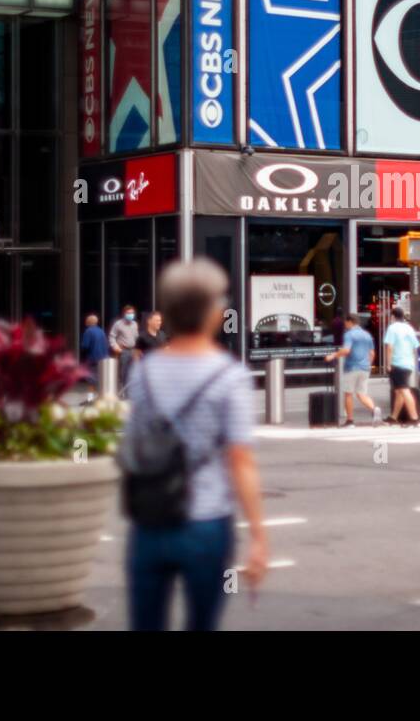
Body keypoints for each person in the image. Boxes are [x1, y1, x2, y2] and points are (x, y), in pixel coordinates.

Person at [123, 258, 268, 631]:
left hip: (151, 519)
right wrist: (258, 536)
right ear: (214, 313)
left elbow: (137, 444)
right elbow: (240, 461)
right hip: (207, 521)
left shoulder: (143, 373)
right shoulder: (230, 375)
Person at [323, 313, 382, 427]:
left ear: (350, 322)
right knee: (361, 394)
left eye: (346, 322)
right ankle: (375, 410)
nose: (345, 324)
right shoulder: (367, 335)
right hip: (365, 368)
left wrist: (333, 355)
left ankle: (350, 421)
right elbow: (372, 353)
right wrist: (367, 365)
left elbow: (346, 350)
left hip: (352, 368)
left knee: (348, 394)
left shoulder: (349, 334)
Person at [384, 307, 420, 427]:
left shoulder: (392, 328)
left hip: (397, 363)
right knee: (400, 390)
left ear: (393, 317)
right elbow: (416, 345)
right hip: (408, 363)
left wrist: (388, 364)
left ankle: (414, 418)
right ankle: (393, 417)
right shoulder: (409, 328)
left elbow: (389, 347)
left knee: (404, 390)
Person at [109, 304, 140, 388]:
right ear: (124, 314)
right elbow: (112, 336)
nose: (131, 315)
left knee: (133, 371)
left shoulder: (135, 324)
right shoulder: (118, 324)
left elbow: (137, 337)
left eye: (132, 313)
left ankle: (130, 390)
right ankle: (122, 390)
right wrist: (115, 347)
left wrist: (137, 350)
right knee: (123, 371)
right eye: (129, 313)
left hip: (133, 350)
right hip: (123, 351)